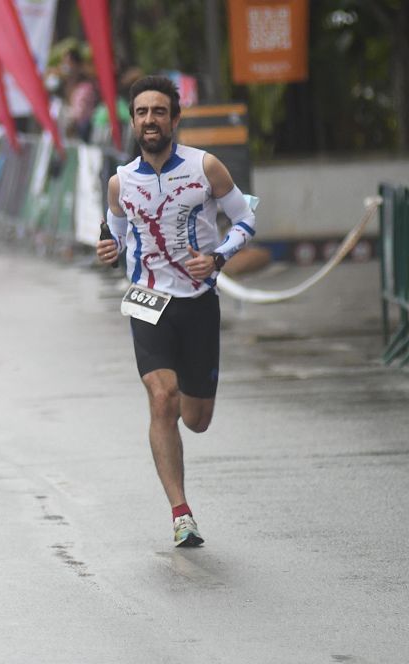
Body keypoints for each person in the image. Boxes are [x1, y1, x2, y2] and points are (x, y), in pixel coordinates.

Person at [96, 75, 258, 547]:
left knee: (197, 417)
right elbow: (114, 235)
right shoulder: (120, 182)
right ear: (132, 121)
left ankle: (193, 412)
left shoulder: (205, 167)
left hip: (198, 302)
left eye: (159, 111)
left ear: (175, 118)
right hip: (148, 302)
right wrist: (108, 249)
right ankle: (181, 513)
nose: (150, 120)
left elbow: (245, 217)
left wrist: (220, 256)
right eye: (142, 112)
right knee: (161, 398)